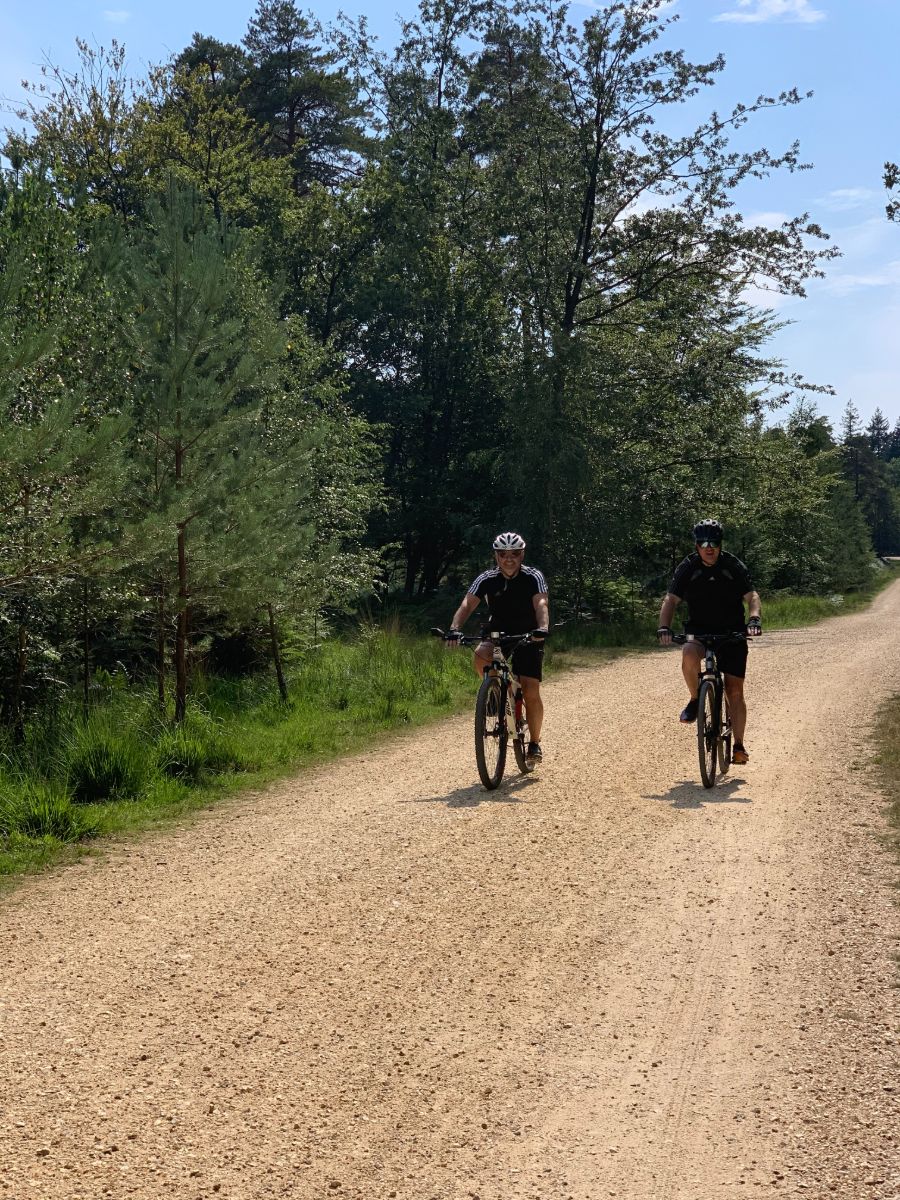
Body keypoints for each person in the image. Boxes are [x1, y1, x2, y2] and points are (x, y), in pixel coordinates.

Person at [657, 519, 762, 765]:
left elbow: (752, 596)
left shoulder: (731, 565)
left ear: (720, 545)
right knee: (689, 654)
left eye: (714, 543)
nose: (709, 547)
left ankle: (738, 745)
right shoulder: (688, 567)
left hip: (732, 633)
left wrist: (754, 619)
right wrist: (664, 627)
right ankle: (695, 699)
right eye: (704, 543)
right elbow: (671, 600)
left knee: (734, 690)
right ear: (696, 546)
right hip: (700, 632)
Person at [446, 532, 549, 763]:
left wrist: (542, 627)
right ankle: (495, 694)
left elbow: (541, 602)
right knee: (482, 655)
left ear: (522, 554)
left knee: (531, 690)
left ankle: (534, 744)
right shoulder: (486, 578)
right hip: (498, 633)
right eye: (503, 554)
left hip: (529, 634)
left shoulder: (534, 576)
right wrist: (454, 628)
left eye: (514, 554)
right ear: (496, 555)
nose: (508, 559)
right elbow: (467, 603)